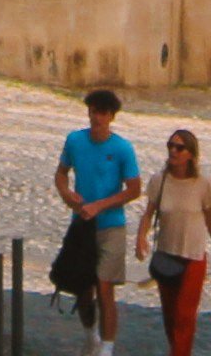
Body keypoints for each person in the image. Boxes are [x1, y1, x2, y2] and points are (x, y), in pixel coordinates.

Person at [54, 85, 146, 344]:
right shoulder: (75, 140)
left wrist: (101, 205)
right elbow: (61, 172)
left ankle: (107, 346)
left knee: (105, 288)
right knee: (83, 289)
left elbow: (134, 189)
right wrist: (66, 193)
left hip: (111, 226)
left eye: (102, 113)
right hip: (82, 225)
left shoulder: (122, 149)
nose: (96, 118)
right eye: (93, 112)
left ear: (111, 117)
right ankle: (89, 335)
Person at [142, 128, 211, 356]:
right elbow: (148, 213)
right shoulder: (159, 181)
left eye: (179, 147)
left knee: (184, 316)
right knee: (170, 317)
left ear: (191, 154)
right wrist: (141, 238)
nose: (173, 151)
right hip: (167, 255)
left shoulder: (202, 184)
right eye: (170, 146)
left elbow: (210, 220)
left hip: (194, 256)